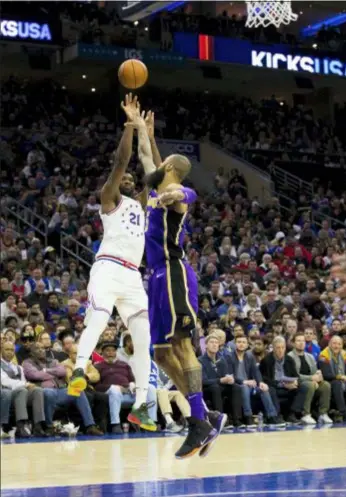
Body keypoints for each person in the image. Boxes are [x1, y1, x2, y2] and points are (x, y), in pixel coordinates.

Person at [137, 109, 226, 459]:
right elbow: (148, 160)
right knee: (158, 352)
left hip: (174, 272)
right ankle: (206, 416)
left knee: (182, 345)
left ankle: (198, 421)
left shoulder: (174, 188)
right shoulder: (160, 182)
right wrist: (143, 132)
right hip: (157, 277)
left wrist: (175, 195)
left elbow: (184, 194)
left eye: (163, 167)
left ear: (170, 169)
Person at [68, 95, 157, 432]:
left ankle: (142, 406)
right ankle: (78, 369)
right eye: (125, 179)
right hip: (107, 267)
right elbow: (123, 159)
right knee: (100, 318)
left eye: (134, 180)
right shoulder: (110, 198)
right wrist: (130, 129)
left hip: (133, 277)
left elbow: (157, 174)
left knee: (145, 338)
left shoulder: (142, 204)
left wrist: (148, 134)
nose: (130, 179)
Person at [95, 342, 157, 434]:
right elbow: (96, 387)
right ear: (102, 353)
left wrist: (133, 386)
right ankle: (115, 424)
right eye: (107, 351)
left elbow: (132, 380)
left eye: (113, 351)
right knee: (114, 390)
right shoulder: (98, 366)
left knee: (150, 388)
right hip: (112, 395)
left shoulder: (124, 365)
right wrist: (114, 387)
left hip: (129, 393)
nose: (110, 353)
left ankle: (151, 421)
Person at [1, 341, 47, 437]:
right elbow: (5, 381)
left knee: (37, 390)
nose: (10, 352)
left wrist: (28, 385)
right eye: (7, 349)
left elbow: (23, 381)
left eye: (12, 350)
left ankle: (38, 426)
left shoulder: (19, 367)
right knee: (22, 390)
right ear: (1, 350)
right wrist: (25, 384)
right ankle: (20, 426)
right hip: (7, 393)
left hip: (20, 393)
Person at [288, 333, 332, 424]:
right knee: (310, 385)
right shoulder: (290, 356)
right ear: (293, 343)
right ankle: (306, 414)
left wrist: (318, 375)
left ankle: (323, 413)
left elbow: (315, 372)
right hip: (297, 383)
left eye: (303, 341)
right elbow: (294, 375)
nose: (301, 343)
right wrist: (312, 378)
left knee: (326, 385)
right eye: (298, 341)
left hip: (311, 382)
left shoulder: (310, 356)